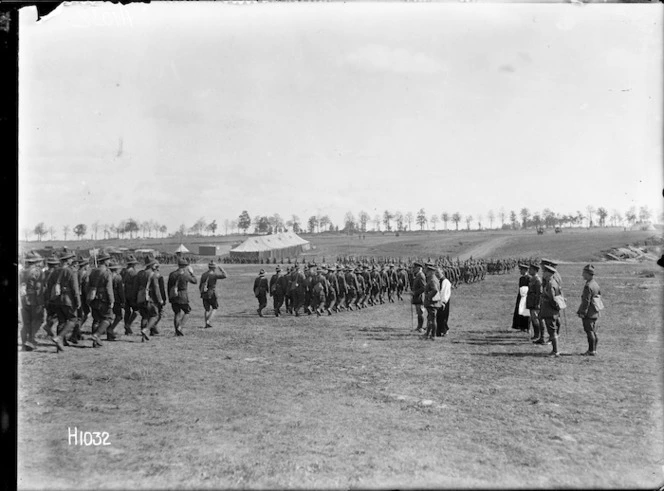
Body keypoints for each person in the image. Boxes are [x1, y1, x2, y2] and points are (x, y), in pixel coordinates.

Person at [50, 251, 81, 353]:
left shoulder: (55, 271)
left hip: (58, 299)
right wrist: (78, 301)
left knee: (61, 321)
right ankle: (59, 338)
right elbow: (75, 288)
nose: (72, 259)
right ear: (68, 260)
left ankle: (60, 345)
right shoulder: (71, 271)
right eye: (71, 258)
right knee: (73, 319)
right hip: (68, 299)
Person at [86, 252, 115, 347]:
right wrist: (111, 300)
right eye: (108, 259)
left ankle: (95, 342)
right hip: (103, 299)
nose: (109, 261)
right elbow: (109, 288)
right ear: (105, 261)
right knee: (108, 318)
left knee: (96, 319)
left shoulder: (93, 271)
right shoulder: (107, 272)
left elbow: (88, 285)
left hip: (93, 297)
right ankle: (96, 335)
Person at [19, 252, 45, 351]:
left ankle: (24, 343)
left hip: (24, 298)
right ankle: (30, 340)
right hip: (35, 299)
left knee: (26, 323)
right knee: (38, 320)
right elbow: (39, 287)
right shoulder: (38, 272)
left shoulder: (23, 271)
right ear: (36, 262)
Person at [136, 256, 164, 341]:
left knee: (144, 316)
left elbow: (135, 286)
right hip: (150, 298)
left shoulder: (140, 273)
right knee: (154, 315)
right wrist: (160, 300)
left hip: (140, 297)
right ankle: (146, 329)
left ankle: (143, 336)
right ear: (152, 265)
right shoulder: (152, 274)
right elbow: (156, 289)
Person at [168, 257, 198, 335]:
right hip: (183, 295)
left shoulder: (172, 274)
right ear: (185, 266)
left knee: (177, 313)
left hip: (173, 295)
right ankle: (180, 326)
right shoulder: (186, 274)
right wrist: (192, 273)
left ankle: (176, 331)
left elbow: (169, 286)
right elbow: (195, 281)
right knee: (187, 311)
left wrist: (170, 297)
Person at [577, 264, 601, 356]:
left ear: (588, 274)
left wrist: (583, 312)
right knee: (594, 331)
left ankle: (591, 350)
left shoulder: (588, 286)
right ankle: (594, 349)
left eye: (584, 273)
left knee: (589, 331)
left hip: (589, 313)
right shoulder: (595, 284)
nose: (582, 275)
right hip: (595, 311)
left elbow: (586, 301)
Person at [540, 264, 563, 357]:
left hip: (550, 310)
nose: (543, 273)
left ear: (549, 273)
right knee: (552, 331)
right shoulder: (552, 282)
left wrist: (554, 306)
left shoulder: (550, 283)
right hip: (551, 309)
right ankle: (555, 350)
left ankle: (555, 351)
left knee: (552, 331)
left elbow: (552, 298)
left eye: (545, 272)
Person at [201, 261, 228, 325]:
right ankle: (208, 321)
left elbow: (201, 285)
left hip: (204, 293)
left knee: (207, 309)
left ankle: (206, 322)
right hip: (212, 292)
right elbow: (225, 275)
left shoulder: (204, 274)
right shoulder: (214, 275)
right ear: (214, 268)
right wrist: (222, 270)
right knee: (214, 307)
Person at [526, 262, 544, 344]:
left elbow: (539, 293)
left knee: (536, 319)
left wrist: (537, 304)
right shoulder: (532, 279)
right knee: (533, 319)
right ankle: (536, 334)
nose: (529, 271)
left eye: (531, 269)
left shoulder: (537, 280)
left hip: (535, 303)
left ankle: (538, 335)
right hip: (531, 302)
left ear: (535, 270)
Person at [121, 255, 140, 335]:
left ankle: (127, 329)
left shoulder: (123, 271)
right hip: (132, 293)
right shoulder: (133, 273)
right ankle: (128, 325)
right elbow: (136, 284)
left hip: (124, 293)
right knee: (136, 311)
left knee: (127, 312)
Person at [423, 263, 442, 340]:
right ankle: (428, 334)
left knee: (432, 319)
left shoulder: (432, 279)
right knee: (430, 319)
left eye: (427, 271)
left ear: (431, 272)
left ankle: (433, 335)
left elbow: (435, 290)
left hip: (432, 303)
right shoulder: (433, 278)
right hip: (433, 303)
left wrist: (428, 297)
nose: (426, 273)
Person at [108, 260, 125, 339]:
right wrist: (123, 300)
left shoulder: (108, 275)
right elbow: (120, 291)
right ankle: (111, 329)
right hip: (116, 298)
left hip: (107, 298)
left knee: (109, 316)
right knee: (119, 316)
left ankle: (109, 331)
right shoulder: (118, 277)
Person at [511, 263, 531, 332]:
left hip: (526, 296)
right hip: (521, 296)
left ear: (525, 270)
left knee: (526, 312)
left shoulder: (529, 278)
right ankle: (521, 326)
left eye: (521, 270)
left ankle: (527, 327)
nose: (520, 271)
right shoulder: (521, 278)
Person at [435, 268, 452, 337]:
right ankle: (440, 330)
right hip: (440, 300)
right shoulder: (439, 281)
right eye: (436, 273)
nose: (437, 274)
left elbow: (444, 293)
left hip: (444, 301)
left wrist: (442, 302)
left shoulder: (445, 281)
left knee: (443, 317)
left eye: (438, 273)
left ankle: (444, 330)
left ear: (442, 273)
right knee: (439, 317)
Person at [410, 262, 426, 332]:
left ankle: (421, 327)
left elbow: (423, 288)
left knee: (420, 312)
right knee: (418, 313)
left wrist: (415, 293)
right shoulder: (418, 275)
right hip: (417, 297)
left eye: (415, 268)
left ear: (419, 268)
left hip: (420, 297)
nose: (413, 269)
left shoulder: (421, 276)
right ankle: (419, 326)